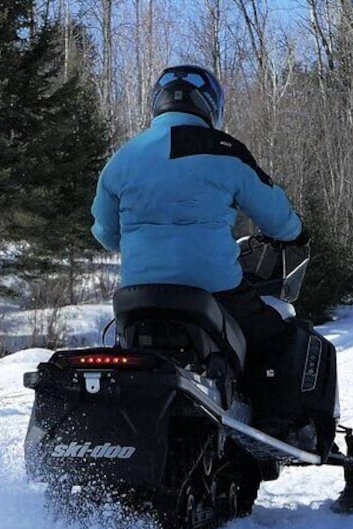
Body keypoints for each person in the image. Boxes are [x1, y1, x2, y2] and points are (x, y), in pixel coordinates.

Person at [90, 64, 309, 441]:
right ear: (210, 105)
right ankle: (276, 427)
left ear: (157, 103)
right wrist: (297, 232)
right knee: (278, 337)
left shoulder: (122, 158)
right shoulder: (224, 150)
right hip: (213, 291)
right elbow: (276, 218)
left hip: (138, 296)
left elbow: (106, 235)